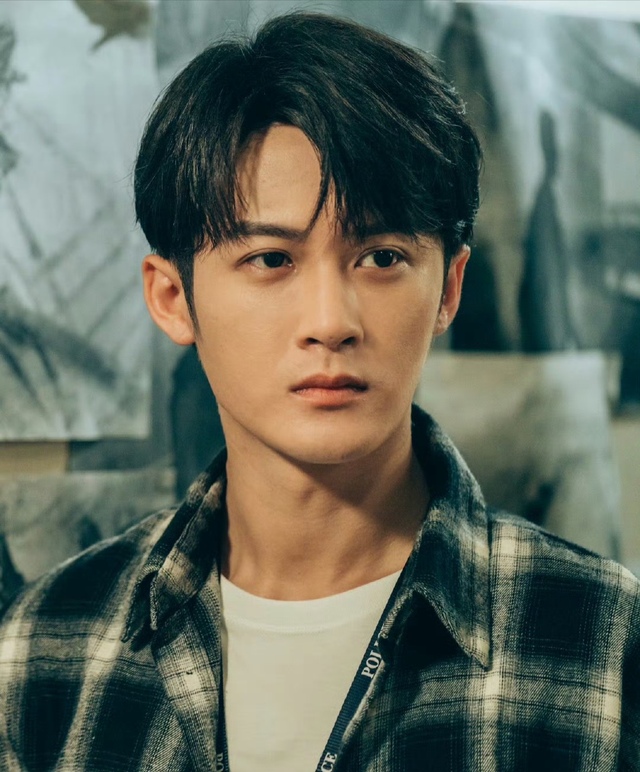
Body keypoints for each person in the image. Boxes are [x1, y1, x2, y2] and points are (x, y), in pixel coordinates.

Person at [0, 11, 638, 772]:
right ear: (173, 298)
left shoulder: (606, 641)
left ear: (448, 288)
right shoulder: (45, 647)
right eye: (271, 260)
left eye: (382, 257)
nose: (331, 322)